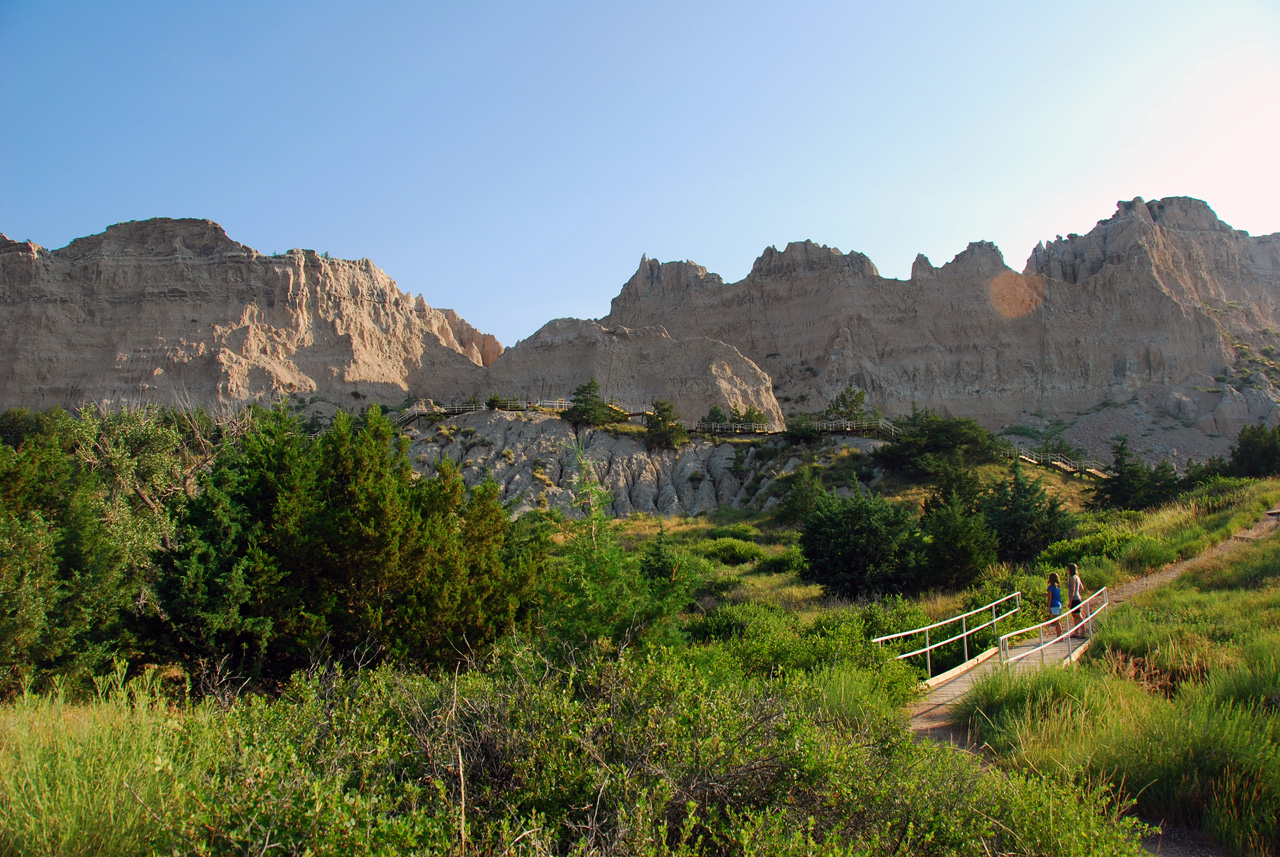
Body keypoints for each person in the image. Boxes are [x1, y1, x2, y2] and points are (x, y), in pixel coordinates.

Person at [1067, 563, 1086, 637]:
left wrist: (1070, 601)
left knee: (1078, 615)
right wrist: (1079, 593)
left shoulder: (1072, 578)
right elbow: (1081, 587)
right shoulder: (1077, 577)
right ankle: (1076, 632)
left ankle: (1083, 632)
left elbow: (1072, 590)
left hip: (1075, 599)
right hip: (1077, 597)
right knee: (1074, 616)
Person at [1047, 572, 1063, 639]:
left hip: (1054, 604)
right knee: (1058, 620)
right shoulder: (1057, 586)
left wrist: (1048, 607)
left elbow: (1050, 598)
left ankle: (1059, 636)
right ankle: (1060, 634)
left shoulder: (1050, 587)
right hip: (1059, 603)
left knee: (1056, 621)